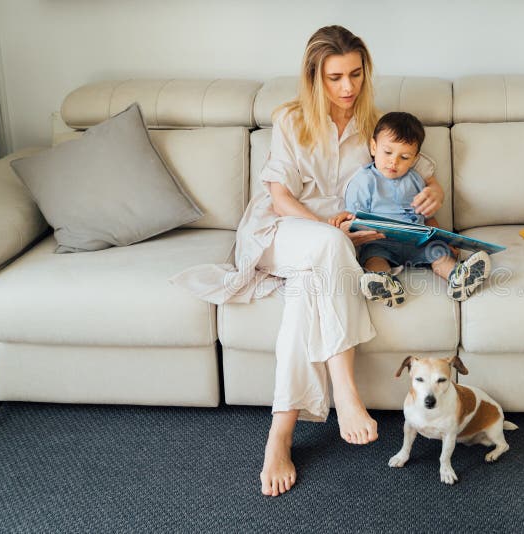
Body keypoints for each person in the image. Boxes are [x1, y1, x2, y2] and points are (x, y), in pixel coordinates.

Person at [171, 25, 444, 497]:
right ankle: (345, 392)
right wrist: (323, 230)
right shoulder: (291, 119)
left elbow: (415, 174)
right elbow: (278, 197)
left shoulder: (376, 127)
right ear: (314, 77)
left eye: (356, 74)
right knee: (328, 247)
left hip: (336, 247)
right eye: (335, 77)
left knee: (305, 294)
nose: (347, 88)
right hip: (283, 230)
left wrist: (435, 192)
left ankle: (280, 435)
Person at [329, 111, 491, 307]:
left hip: (417, 241)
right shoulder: (364, 181)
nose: (393, 162)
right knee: (373, 257)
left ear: (414, 159)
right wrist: (345, 221)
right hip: (381, 240)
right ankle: (384, 283)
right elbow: (354, 218)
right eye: (387, 152)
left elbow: (428, 216)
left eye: (404, 157)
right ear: (373, 147)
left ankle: (459, 278)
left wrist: (444, 237)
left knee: (438, 253)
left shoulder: (416, 180)